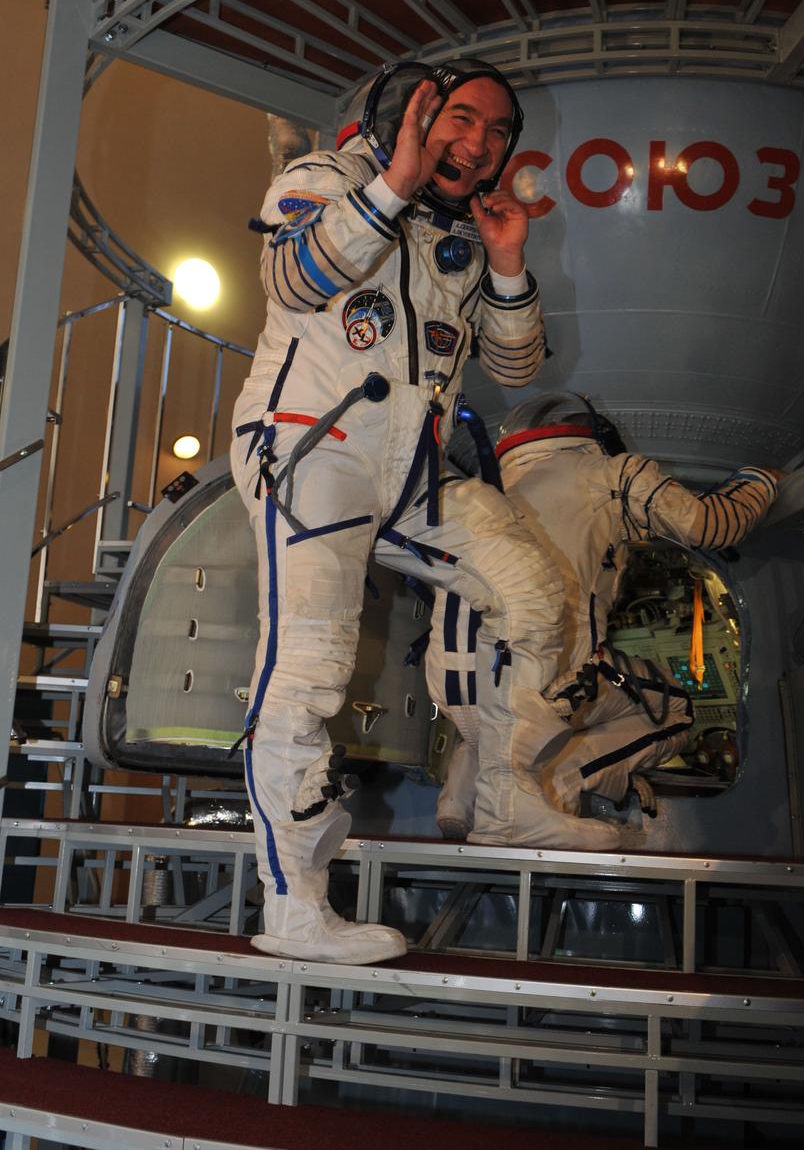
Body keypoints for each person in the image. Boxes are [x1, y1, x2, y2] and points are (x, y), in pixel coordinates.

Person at [230, 61, 619, 967]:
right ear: (408, 112)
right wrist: (394, 182)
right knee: (309, 669)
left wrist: (511, 259)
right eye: (461, 119)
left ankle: (505, 801)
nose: (478, 144)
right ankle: (294, 908)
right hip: (310, 446)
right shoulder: (324, 180)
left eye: (497, 133)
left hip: (408, 465)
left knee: (536, 594)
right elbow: (291, 281)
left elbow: (517, 371)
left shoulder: (467, 237)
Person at [431, 392, 782, 840]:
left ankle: (459, 798)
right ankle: (560, 785)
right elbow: (709, 525)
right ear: (596, 438)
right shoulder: (607, 474)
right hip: (538, 682)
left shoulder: (485, 489)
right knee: (674, 704)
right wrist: (763, 480)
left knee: (494, 679)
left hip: (450, 686)